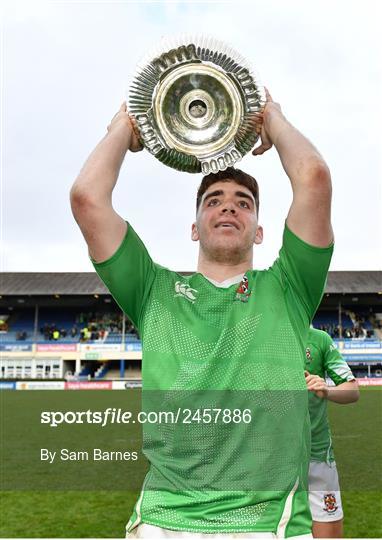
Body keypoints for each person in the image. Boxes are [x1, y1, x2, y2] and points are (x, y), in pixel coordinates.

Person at [70, 89, 334, 538]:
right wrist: (124, 129)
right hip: (165, 520)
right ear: (194, 227)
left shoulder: (290, 287)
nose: (228, 205)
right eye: (213, 199)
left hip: (270, 523)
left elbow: (313, 178)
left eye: (243, 202)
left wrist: (274, 118)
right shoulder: (153, 291)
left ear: (259, 230)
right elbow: (87, 198)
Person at [304, 328, 359, 538]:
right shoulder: (258, 334)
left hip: (317, 457)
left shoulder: (320, 339)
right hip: (270, 459)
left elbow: (352, 390)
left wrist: (327, 390)